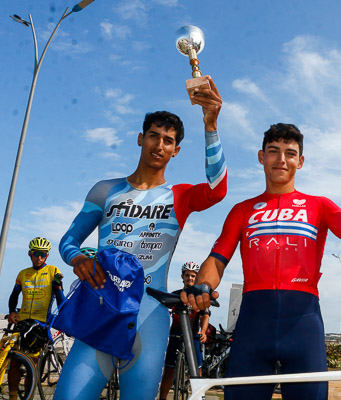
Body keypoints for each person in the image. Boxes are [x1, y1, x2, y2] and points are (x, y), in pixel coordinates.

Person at [182, 123, 341, 400]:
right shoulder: (242, 210)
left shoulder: (320, 206)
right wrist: (204, 286)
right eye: (274, 151)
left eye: (290, 153)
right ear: (261, 157)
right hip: (253, 328)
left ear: (300, 161)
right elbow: (218, 258)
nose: (282, 159)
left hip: (303, 326)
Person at [53, 76, 227, 400]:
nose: (159, 145)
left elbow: (218, 190)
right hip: (102, 309)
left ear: (176, 151)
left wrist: (211, 124)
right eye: (153, 136)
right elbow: (68, 240)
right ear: (140, 138)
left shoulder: (180, 196)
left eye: (168, 141)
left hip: (151, 316)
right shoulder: (106, 190)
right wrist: (78, 259)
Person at [6, 237, 64, 400]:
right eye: (36, 254)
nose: (39, 257)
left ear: (47, 256)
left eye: (43, 254)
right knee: (15, 362)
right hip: (22, 322)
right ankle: (12, 397)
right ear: (30, 254)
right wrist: (11, 312)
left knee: (32, 364)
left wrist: (58, 286)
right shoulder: (23, 274)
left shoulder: (53, 271)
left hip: (40, 324)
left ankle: (28, 397)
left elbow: (60, 300)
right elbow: (14, 295)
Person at [158, 261, 210, 400]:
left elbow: (205, 315)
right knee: (168, 370)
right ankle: (162, 398)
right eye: (187, 275)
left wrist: (203, 331)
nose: (190, 278)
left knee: (197, 371)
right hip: (175, 335)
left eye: (193, 276)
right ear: (182, 276)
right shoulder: (175, 295)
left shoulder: (200, 295)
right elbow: (163, 314)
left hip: (193, 336)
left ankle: (198, 397)